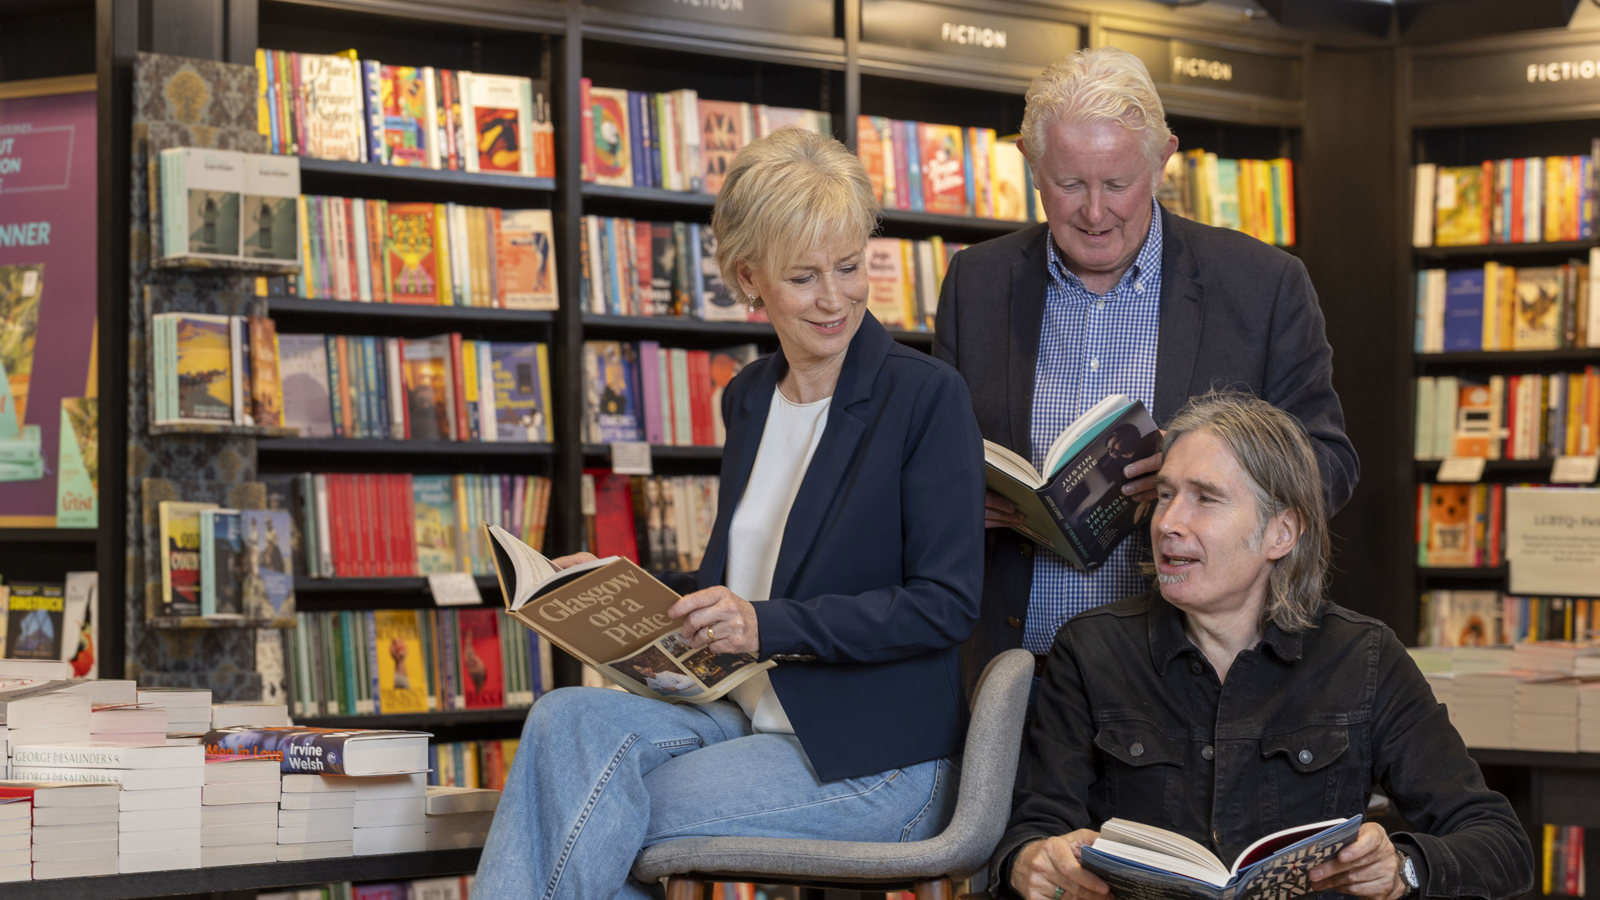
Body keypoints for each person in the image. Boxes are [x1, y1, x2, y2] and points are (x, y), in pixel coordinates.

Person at [474, 127, 987, 899]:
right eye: (803, 277)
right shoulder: (748, 397)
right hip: (737, 712)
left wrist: (767, 625)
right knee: (562, 722)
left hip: (871, 758)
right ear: (750, 280)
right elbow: (738, 577)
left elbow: (947, 605)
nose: (835, 297)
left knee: (593, 809)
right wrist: (612, 587)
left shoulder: (924, 397)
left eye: (849, 268)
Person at [995, 392, 1532, 900]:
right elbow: (1034, 831)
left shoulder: (1364, 658)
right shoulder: (1091, 650)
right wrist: (1031, 862)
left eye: (1205, 499)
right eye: (1164, 496)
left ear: (1281, 532)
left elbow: (1501, 844)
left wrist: (1404, 869)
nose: (1168, 523)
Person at [933, 46, 1359, 685]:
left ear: (1163, 160)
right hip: (1015, 670)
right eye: (1070, 184)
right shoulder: (977, 281)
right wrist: (955, 495)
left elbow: (1328, 462)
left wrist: (1213, 478)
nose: (1096, 213)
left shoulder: (1262, 285)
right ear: (1029, 161)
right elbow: (928, 459)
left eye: (1118, 184)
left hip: (1189, 675)